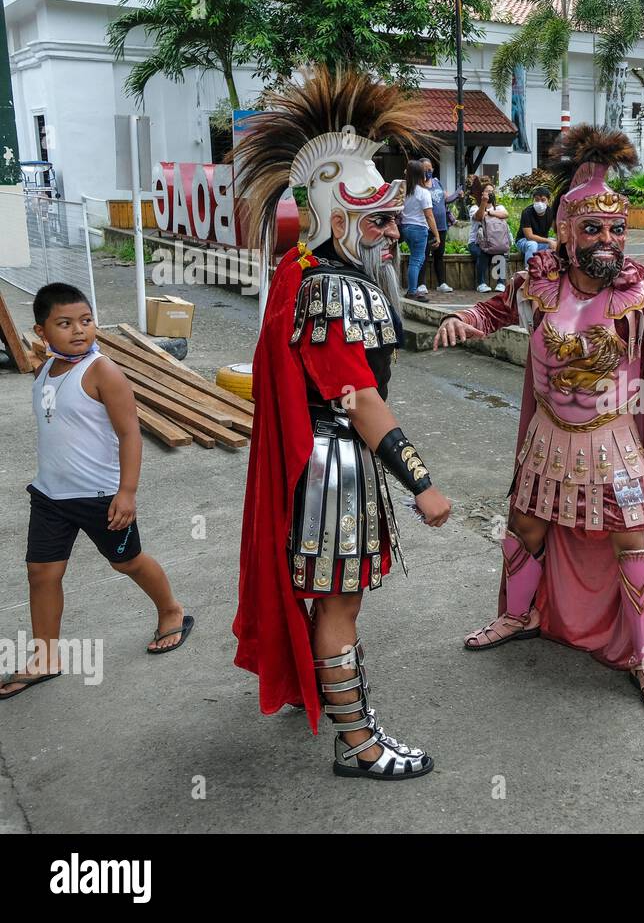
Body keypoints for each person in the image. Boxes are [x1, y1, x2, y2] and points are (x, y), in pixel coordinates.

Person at [433, 125, 644, 716]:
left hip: (614, 446)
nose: (608, 240)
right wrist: (463, 321)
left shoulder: (642, 297)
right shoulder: (537, 287)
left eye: (616, 229)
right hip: (547, 444)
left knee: (632, 544)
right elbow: (491, 309)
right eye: (594, 228)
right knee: (525, 530)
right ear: (565, 232)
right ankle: (516, 614)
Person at [232, 67, 453, 780]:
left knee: (329, 594)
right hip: (336, 469)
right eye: (378, 219)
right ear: (338, 220)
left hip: (327, 465)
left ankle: (326, 698)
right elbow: (358, 398)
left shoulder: (306, 269)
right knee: (341, 599)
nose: (393, 230)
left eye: (391, 216)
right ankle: (358, 744)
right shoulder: (332, 288)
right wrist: (421, 481)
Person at [1, 283, 192, 699]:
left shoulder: (103, 371)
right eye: (64, 323)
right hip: (50, 497)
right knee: (41, 574)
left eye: (86, 321)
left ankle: (172, 610)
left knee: (128, 563)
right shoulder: (44, 371)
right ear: (41, 330)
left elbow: (130, 434)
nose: (78, 331)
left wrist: (127, 492)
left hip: (102, 496)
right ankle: (46, 655)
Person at [399, 159, 436, 302]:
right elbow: (429, 215)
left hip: (406, 228)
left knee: (415, 260)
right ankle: (412, 291)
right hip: (419, 228)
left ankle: (412, 289)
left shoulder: (404, 191)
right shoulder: (423, 192)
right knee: (416, 260)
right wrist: (437, 235)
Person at [420, 157, 456, 294]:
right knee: (423, 255)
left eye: (430, 169)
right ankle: (421, 284)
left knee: (439, 255)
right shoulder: (419, 186)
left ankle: (441, 283)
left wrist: (456, 195)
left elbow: (444, 199)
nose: (428, 171)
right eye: (425, 169)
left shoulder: (437, 182)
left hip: (441, 225)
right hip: (426, 226)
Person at [468, 183, 510, 294]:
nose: (490, 193)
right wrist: (483, 203)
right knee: (483, 253)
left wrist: (490, 212)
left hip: (495, 242)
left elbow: (505, 214)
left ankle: (501, 283)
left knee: (500, 253)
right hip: (476, 243)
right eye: (487, 191)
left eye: (492, 191)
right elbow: (479, 217)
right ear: (482, 193)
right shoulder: (474, 208)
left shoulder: (499, 207)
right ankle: (481, 283)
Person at [516, 184, 556, 264]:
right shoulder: (527, 212)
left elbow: (556, 229)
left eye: (543, 200)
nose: (539, 203)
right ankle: (529, 271)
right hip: (524, 241)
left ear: (548, 200)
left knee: (557, 243)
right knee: (532, 244)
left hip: (542, 242)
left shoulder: (551, 212)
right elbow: (529, 236)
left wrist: (555, 241)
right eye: (537, 200)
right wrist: (548, 241)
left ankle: (551, 269)